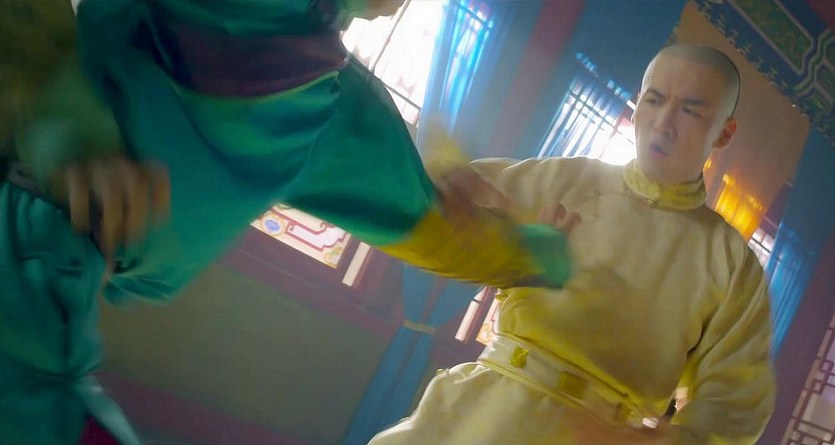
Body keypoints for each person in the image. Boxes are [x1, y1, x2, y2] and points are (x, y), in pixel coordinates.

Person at [1, 1, 573, 444]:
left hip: (52, 313)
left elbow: (438, 231)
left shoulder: (322, 103)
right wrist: (60, 116)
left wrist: (547, 252)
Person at [368, 43, 776, 445]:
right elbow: (448, 203)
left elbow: (735, 400)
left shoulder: (729, 263)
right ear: (637, 103)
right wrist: (455, 192)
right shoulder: (567, 179)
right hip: (489, 406)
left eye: (690, 111)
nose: (663, 124)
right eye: (654, 100)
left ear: (725, 132)